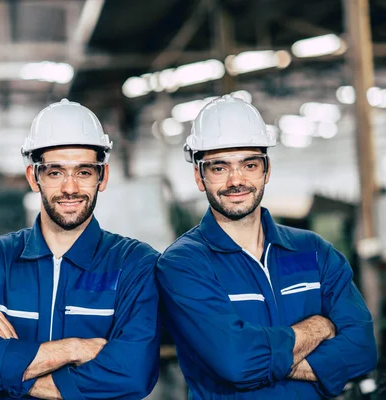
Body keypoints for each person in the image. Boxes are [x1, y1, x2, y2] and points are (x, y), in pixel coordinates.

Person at [156, 95, 378, 399]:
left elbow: (363, 349)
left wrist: (262, 357)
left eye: (249, 164)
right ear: (199, 175)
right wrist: (319, 327)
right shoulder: (182, 264)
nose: (236, 180)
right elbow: (237, 363)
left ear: (266, 170)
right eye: (219, 168)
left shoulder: (314, 251)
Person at [0, 98, 160, 400]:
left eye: (84, 172)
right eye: (55, 172)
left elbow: (133, 374)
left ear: (103, 177)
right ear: (33, 177)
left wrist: (12, 370)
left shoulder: (135, 264)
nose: (70, 188)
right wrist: (75, 349)